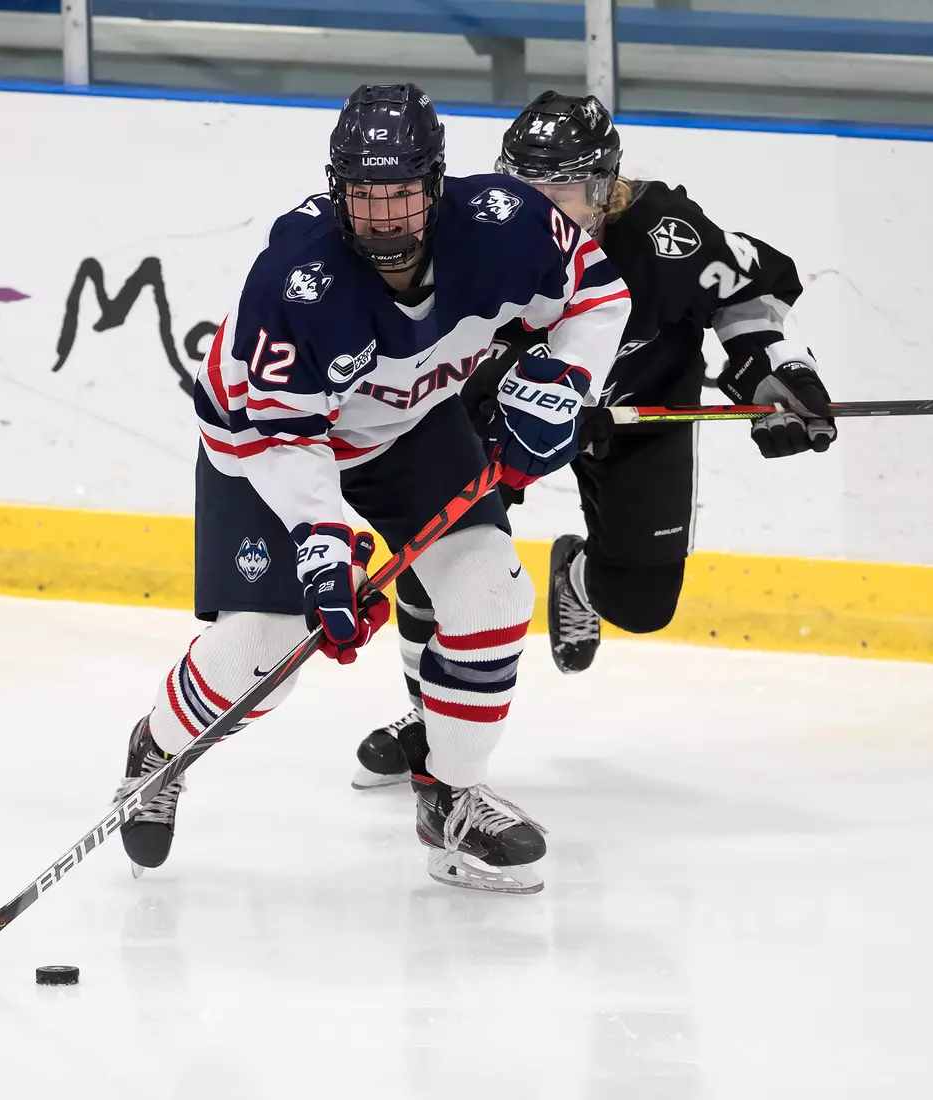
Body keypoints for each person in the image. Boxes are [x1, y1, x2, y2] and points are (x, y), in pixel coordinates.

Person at [117, 84, 630, 893]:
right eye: (364, 194)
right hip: (266, 445)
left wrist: (563, 379)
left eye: (400, 192)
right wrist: (324, 545)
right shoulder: (296, 278)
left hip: (410, 425)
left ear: (436, 185)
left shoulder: (504, 223)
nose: (383, 215)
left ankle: (449, 796)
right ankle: (158, 748)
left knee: (492, 599)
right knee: (265, 653)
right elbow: (285, 436)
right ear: (337, 190)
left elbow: (598, 295)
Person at [352, 91, 835, 790]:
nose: (543, 209)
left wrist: (775, 374)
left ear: (606, 191)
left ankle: (574, 575)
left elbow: (744, 297)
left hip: (636, 413)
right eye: (527, 188)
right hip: (505, 417)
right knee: (434, 559)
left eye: (566, 191)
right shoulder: (471, 234)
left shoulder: (667, 236)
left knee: (642, 605)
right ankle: (429, 720)